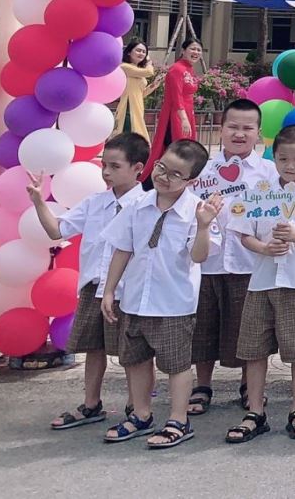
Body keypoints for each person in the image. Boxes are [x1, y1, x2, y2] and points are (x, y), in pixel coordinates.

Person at [99, 139, 219, 449]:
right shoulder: (138, 205)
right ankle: (141, 414)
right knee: (135, 360)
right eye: (162, 168)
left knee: (176, 364)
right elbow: (122, 249)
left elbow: (199, 256)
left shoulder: (197, 211)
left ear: (191, 180)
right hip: (136, 299)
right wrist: (109, 290)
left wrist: (203, 227)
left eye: (175, 174)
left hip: (173, 303)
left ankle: (179, 419)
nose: (164, 177)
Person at [226, 124, 295, 444]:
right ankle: (255, 410)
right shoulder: (258, 193)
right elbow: (244, 234)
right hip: (260, 283)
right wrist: (263, 248)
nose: (290, 166)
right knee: (254, 349)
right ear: (273, 157)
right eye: (283, 159)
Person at [28, 131, 148, 430]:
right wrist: (38, 201)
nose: (106, 172)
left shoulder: (147, 205)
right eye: (104, 165)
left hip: (128, 290)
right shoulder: (95, 203)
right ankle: (91, 404)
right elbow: (57, 231)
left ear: (138, 168)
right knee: (94, 348)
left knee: (133, 352)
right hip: (95, 287)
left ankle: (137, 408)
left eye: (115, 166)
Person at [187, 99, 274, 417]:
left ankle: (249, 386)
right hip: (206, 261)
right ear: (221, 129)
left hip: (250, 263)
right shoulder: (201, 171)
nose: (240, 133)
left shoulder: (269, 173)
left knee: (250, 328)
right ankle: (202, 385)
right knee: (203, 325)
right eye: (233, 126)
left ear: (258, 132)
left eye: (247, 128)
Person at [147, 39, 201, 171]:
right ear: (183, 50)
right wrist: (183, 119)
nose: (196, 52)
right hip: (176, 115)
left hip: (187, 113)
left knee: (185, 147)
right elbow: (176, 96)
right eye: (192, 49)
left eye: (199, 50)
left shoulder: (189, 69)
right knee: (177, 147)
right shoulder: (177, 69)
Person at [115, 42, 156, 138]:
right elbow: (149, 72)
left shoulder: (138, 70)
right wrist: (149, 62)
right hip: (128, 107)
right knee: (129, 136)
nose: (141, 53)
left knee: (136, 137)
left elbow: (141, 94)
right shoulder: (125, 67)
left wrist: (154, 85)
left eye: (144, 52)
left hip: (138, 107)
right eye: (138, 50)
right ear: (129, 52)